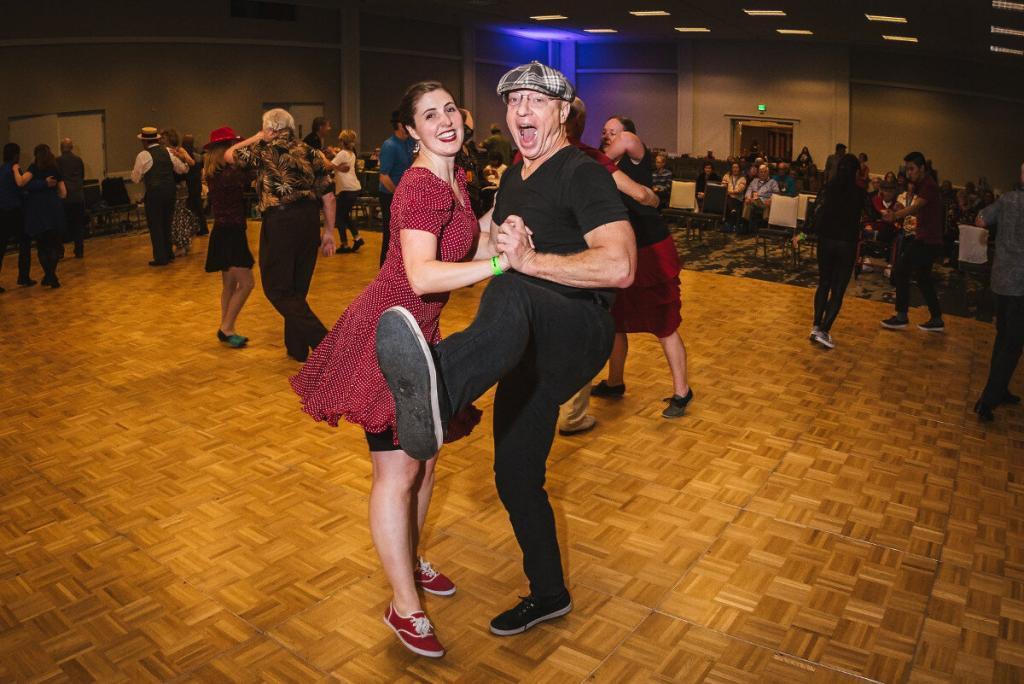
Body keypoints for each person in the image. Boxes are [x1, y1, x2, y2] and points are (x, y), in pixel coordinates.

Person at [374, 61, 635, 637]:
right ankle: (550, 593)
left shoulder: (581, 172)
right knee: (515, 474)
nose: (521, 112)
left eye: (536, 102)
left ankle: (437, 389)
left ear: (562, 113)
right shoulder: (516, 176)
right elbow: (482, 238)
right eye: (514, 101)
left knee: (512, 284)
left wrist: (528, 262)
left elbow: (619, 266)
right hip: (524, 344)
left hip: (576, 329)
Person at [292, 81, 506, 658]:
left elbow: (461, 244)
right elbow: (422, 276)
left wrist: (493, 228)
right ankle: (404, 605)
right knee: (397, 474)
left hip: (423, 335)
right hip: (387, 336)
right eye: (428, 116)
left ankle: (409, 560)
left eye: (449, 111)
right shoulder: (419, 186)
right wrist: (498, 263)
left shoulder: (455, 181)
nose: (444, 121)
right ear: (411, 131)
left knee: (426, 460)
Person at [552, 97, 658, 436]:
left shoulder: (529, 154)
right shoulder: (589, 158)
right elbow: (641, 195)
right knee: (581, 333)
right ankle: (571, 414)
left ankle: (545, 406)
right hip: (578, 257)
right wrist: (653, 198)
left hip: (541, 260)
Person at [591, 116, 693, 417]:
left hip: (651, 250)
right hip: (623, 250)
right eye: (604, 131)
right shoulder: (607, 166)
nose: (608, 136)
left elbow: (626, 140)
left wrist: (598, 157)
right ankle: (615, 382)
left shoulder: (634, 155)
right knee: (616, 322)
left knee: (664, 324)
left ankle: (682, 391)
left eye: (613, 131)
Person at [226, 108, 337, 362]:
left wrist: (257, 136)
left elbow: (229, 155)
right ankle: (296, 349)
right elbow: (329, 196)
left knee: (277, 289)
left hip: (281, 221)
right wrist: (329, 231)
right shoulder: (312, 152)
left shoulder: (264, 150)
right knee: (296, 289)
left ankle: (327, 345)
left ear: (270, 129)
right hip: (309, 220)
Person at [796, 154, 867, 349]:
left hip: (826, 242)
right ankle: (824, 331)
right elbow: (872, 214)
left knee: (824, 283)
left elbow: (814, 214)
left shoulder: (828, 188)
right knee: (837, 290)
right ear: (855, 172)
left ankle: (816, 326)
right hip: (846, 244)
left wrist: (802, 235)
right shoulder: (859, 192)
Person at [973, 162, 1024, 422]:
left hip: (1001, 281)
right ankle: (987, 400)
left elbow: (980, 219)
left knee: (1004, 338)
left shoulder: (1007, 199)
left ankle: (1000, 390)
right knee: (1013, 343)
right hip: (1020, 287)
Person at [880, 151, 945, 332]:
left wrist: (894, 216)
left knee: (900, 270)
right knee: (923, 279)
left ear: (922, 168)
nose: (909, 173)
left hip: (928, 241)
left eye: (912, 169)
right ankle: (937, 318)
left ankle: (901, 316)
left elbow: (915, 207)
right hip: (928, 239)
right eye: (907, 169)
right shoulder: (923, 183)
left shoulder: (929, 186)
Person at [203, 127, 255, 349]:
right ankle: (226, 327)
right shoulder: (229, 174)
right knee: (247, 283)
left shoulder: (215, 172)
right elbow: (252, 172)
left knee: (230, 285)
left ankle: (227, 327)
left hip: (224, 231)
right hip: (231, 233)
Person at [131, 126, 188, 266]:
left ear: (144, 142)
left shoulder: (143, 155)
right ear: (157, 139)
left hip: (155, 194)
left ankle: (161, 258)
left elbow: (135, 179)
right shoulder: (168, 151)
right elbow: (182, 169)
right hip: (170, 192)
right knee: (166, 223)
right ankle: (169, 254)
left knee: (156, 225)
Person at [17, 144, 67, 288]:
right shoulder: (55, 168)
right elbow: (63, 192)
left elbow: (22, 183)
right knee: (54, 245)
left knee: (42, 246)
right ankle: (51, 276)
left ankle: (50, 276)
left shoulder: (33, 167)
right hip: (53, 209)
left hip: (37, 211)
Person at [378, 111, 416, 265]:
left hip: (404, 196)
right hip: (389, 196)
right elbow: (384, 177)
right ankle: (384, 268)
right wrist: (397, 195)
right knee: (391, 234)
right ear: (400, 125)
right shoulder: (389, 146)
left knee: (406, 234)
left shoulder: (409, 143)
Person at [0, 143, 35, 290]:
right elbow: (21, 189)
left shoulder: (1, 169)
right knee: (25, 243)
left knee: (1, 247)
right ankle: (23, 277)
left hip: (2, 212)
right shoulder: (15, 169)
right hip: (16, 211)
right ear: (15, 155)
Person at [162, 128, 199, 257]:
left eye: (164, 137)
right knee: (180, 216)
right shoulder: (164, 152)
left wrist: (180, 156)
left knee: (178, 217)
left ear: (169, 138)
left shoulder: (179, 149)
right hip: (177, 186)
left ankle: (182, 245)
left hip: (180, 187)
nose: (162, 139)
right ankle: (185, 243)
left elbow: (192, 162)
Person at [331, 129, 365, 254]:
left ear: (342, 141)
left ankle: (344, 244)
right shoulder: (351, 153)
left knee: (339, 217)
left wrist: (324, 155)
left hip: (347, 189)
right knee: (344, 215)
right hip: (353, 187)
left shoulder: (342, 154)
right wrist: (337, 165)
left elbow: (329, 165)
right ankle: (357, 238)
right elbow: (337, 165)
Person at [57, 138, 86, 258]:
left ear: (61, 148)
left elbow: (57, 177)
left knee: (61, 225)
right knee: (78, 225)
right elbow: (82, 176)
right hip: (78, 196)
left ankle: (60, 252)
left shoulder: (57, 161)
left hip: (64, 197)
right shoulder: (78, 160)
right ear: (72, 147)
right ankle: (79, 251)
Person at [182, 134, 208, 236]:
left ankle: (193, 229)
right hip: (196, 184)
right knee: (197, 208)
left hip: (189, 185)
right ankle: (201, 228)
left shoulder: (185, 155)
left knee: (190, 208)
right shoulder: (197, 155)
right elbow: (201, 169)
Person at [742, 163, 779, 231]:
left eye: (765, 172)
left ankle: (765, 228)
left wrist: (771, 199)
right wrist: (747, 197)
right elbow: (749, 190)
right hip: (754, 200)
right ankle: (745, 225)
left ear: (768, 173)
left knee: (767, 205)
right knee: (747, 202)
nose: (763, 174)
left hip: (765, 201)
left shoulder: (773, 182)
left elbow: (776, 193)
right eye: (761, 172)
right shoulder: (754, 181)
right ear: (758, 173)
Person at [723, 161, 747, 231]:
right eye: (733, 167)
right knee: (728, 199)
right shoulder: (726, 176)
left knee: (730, 199)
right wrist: (731, 192)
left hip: (738, 199)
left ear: (739, 169)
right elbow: (723, 187)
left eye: (737, 167)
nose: (735, 169)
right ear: (731, 168)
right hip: (727, 198)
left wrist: (729, 191)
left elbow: (739, 191)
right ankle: (732, 214)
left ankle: (728, 224)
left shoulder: (743, 178)